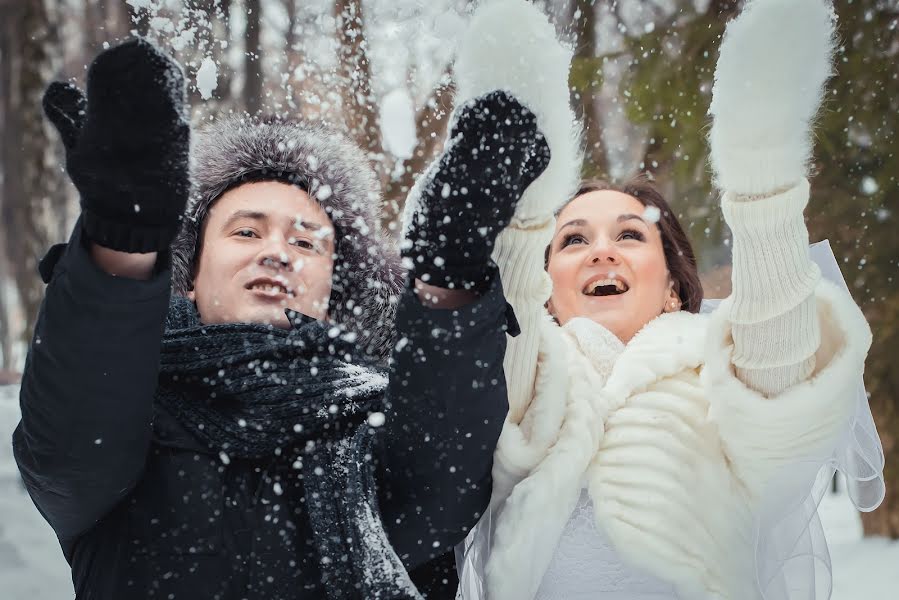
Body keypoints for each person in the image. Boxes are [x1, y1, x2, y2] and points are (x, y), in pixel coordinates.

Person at [12, 37, 551, 599]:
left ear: (332, 289)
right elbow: (70, 448)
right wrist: (122, 236)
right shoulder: (133, 411)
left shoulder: (376, 418)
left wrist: (450, 268)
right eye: (246, 230)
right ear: (190, 273)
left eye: (307, 241)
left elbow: (440, 485)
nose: (277, 252)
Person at [449, 0, 884, 599]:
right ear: (547, 287)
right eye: (573, 239)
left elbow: (777, 342)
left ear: (675, 286)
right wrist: (523, 213)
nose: (602, 251)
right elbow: (516, 325)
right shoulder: (522, 385)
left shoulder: (722, 379)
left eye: (629, 234)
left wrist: (762, 182)